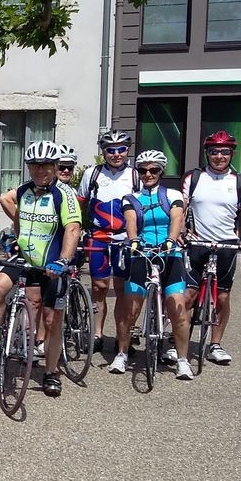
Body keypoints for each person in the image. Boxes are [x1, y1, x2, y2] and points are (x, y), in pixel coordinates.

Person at [0, 140, 81, 398]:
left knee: (52, 320)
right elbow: (9, 204)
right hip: (24, 258)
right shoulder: (24, 190)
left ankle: (50, 372)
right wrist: (18, 234)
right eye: (35, 165)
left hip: (52, 265)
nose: (40, 170)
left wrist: (63, 260)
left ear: (55, 166)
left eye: (46, 165)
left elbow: (72, 228)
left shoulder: (64, 194)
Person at [182, 130, 241, 365]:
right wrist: (180, 232)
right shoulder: (193, 178)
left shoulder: (240, 182)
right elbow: (181, 209)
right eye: (214, 151)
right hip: (196, 243)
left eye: (225, 152)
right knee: (187, 296)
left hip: (227, 245)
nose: (219, 156)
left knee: (223, 297)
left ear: (232, 154)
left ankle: (215, 344)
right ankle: (178, 343)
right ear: (207, 153)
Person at [117, 150, 192, 378]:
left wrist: (171, 239)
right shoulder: (131, 198)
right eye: (143, 170)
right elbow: (130, 220)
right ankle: (122, 354)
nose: (148, 174)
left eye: (153, 170)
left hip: (170, 254)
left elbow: (177, 217)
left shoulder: (173, 194)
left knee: (178, 308)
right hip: (142, 253)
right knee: (130, 309)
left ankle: (182, 360)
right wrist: (133, 240)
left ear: (161, 171)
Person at [78, 130, 139, 353]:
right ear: (103, 152)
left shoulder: (135, 175)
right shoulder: (92, 174)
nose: (116, 154)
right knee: (99, 287)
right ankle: (97, 334)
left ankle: (123, 335)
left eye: (121, 149)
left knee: (123, 289)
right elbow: (80, 203)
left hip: (125, 238)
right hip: (99, 236)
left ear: (127, 150)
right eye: (110, 150)